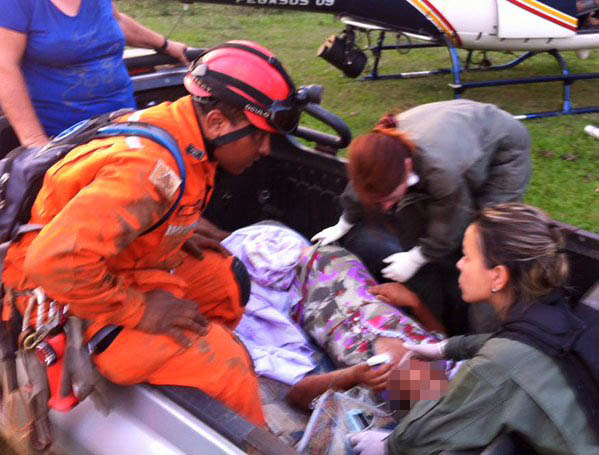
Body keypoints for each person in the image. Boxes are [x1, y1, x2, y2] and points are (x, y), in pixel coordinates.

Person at [1, 40, 311, 426]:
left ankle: (187, 373)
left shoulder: (180, 130)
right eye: (258, 136)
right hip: (64, 298)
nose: (264, 149)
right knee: (226, 367)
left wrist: (171, 230)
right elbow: (52, 264)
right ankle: (228, 407)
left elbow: (129, 209)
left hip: (109, 265)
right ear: (217, 122)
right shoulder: (145, 168)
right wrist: (144, 311)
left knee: (224, 281)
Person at [349, 203, 599, 455]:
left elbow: (438, 424)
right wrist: (446, 348)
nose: (459, 264)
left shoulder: (498, 365)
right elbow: (523, 343)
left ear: (497, 277)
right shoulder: (556, 315)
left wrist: (389, 446)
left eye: (467, 257)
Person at [312, 99, 532, 335]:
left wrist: (417, 258)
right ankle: (432, 312)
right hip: (453, 137)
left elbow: (452, 217)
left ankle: (484, 334)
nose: (386, 207)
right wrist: (344, 222)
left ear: (408, 169)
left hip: (502, 148)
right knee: (417, 222)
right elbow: (363, 187)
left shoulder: (440, 170)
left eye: (390, 198)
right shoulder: (379, 155)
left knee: (487, 240)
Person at [222, 223, 452, 410]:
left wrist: (353, 376)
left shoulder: (372, 393)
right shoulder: (442, 358)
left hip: (301, 292)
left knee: (238, 261)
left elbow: (297, 395)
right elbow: (440, 334)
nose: (423, 376)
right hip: (340, 265)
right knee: (262, 243)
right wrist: (415, 302)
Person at [0, 0, 190, 149]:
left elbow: (115, 21)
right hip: (66, 138)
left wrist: (165, 45)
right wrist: (35, 141)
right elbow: (5, 67)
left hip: (125, 124)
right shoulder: (16, 3)